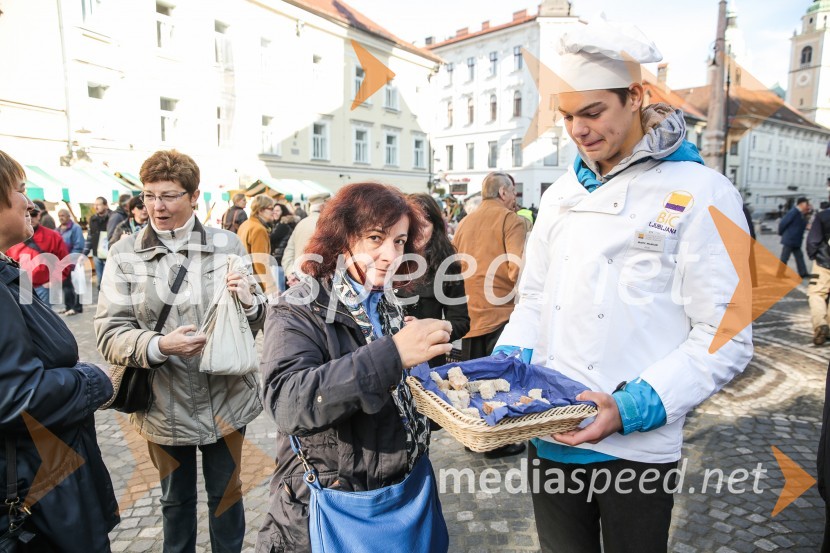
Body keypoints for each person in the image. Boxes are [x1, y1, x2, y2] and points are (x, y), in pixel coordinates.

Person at [493, 20, 753, 553]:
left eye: (592, 112)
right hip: (551, 433)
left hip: (637, 445)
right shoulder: (562, 194)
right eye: (566, 117)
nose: (579, 130)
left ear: (635, 97)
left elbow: (726, 331)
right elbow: (536, 298)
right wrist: (505, 372)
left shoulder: (704, 191)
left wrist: (629, 407)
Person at [257, 182, 451, 552]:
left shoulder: (389, 303)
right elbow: (288, 402)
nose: (389, 254)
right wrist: (393, 354)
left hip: (407, 493)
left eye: (399, 241)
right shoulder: (298, 307)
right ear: (342, 237)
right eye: (375, 238)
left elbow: (399, 405)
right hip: (337, 502)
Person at [95, 149, 265, 553]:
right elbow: (108, 332)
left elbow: (255, 320)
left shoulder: (228, 245)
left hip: (227, 397)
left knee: (228, 497)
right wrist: (158, 345)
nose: (157, 206)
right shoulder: (124, 254)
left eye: (169, 195)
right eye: (149, 195)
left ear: (194, 197)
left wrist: (251, 303)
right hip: (162, 401)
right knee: (175, 501)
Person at [0, 149, 119, 551]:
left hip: (47, 476)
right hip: (35, 489)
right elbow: (15, 396)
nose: (29, 203)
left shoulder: (7, 273)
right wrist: (96, 379)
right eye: (18, 190)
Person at [452, 171, 527, 458]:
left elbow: (454, 266)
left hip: (468, 315)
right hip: (499, 313)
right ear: (504, 193)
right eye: (514, 193)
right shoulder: (511, 220)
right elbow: (515, 268)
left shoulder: (465, 222)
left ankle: (473, 437)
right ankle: (498, 441)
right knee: (498, 382)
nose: (516, 199)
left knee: (471, 381)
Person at [399, 193, 470, 368]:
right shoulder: (386, 261)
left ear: (435, 227)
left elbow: (461, 322)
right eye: (412, 226)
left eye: (423, 225)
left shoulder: (447, 266)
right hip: (389, 361)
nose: (417, 232)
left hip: (428, 363)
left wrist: (429, 329)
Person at [6, 203, 70, 307]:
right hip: (20, 288)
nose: (31, 218)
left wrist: (54, 280)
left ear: (39, 215)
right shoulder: (12, 237)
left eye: (34, 214)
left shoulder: (53, 236)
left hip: (43, 287)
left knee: (44, 321)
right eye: (26, 214)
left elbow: (64, 261)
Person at [282, 192, 330, 286]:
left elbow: (288, 253)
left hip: (299, 280)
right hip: (319, 283)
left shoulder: (301, 224)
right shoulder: (327, 225)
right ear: (324, 206)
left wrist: (291, 274)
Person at [237, 194, 277, 294]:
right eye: (271, 208)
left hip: (246, 281)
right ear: (260, 210)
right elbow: (261, 263)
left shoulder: (246, 224)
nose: (274, 212)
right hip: (256, 285)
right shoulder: (258, 229)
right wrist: (271, 288)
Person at [807, 199, 830, 345]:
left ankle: (820, 324)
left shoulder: (823, 216)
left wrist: (813, 254)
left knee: (816, 293)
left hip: (823, 261)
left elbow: (813, 240)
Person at [58, 208, 85, 315]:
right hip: (62, 262)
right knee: (66, 285)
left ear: (68, 216)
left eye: (63, 215)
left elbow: (79, 245)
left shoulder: (75, 228)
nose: (61, 218)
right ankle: (68, 306)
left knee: (76, 284)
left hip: (73, 260)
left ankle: (76, 307)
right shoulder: (58, 229)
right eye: (59, 215)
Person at [778, 197, 811, 278]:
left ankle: (803, 273)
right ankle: (780, 274)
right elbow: (783, 223)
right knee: (785, 257)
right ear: (802, 204)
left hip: (795, 240)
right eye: (807, 204)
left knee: (799, 256)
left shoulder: (800, 213)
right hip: (790, 239)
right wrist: (781, 233)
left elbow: (799, 224)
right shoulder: (793, 212)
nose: (808, 206)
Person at [83, 196, 112, 289]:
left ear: (106, 206)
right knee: (100, 281)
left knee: (109, 281)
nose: (96, 207)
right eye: (95, 205)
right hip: (96, 254)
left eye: (98, 204)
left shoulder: (112, 217)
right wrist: (84, 253)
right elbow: (90, 237)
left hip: (109, 254)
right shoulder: (93, 219)